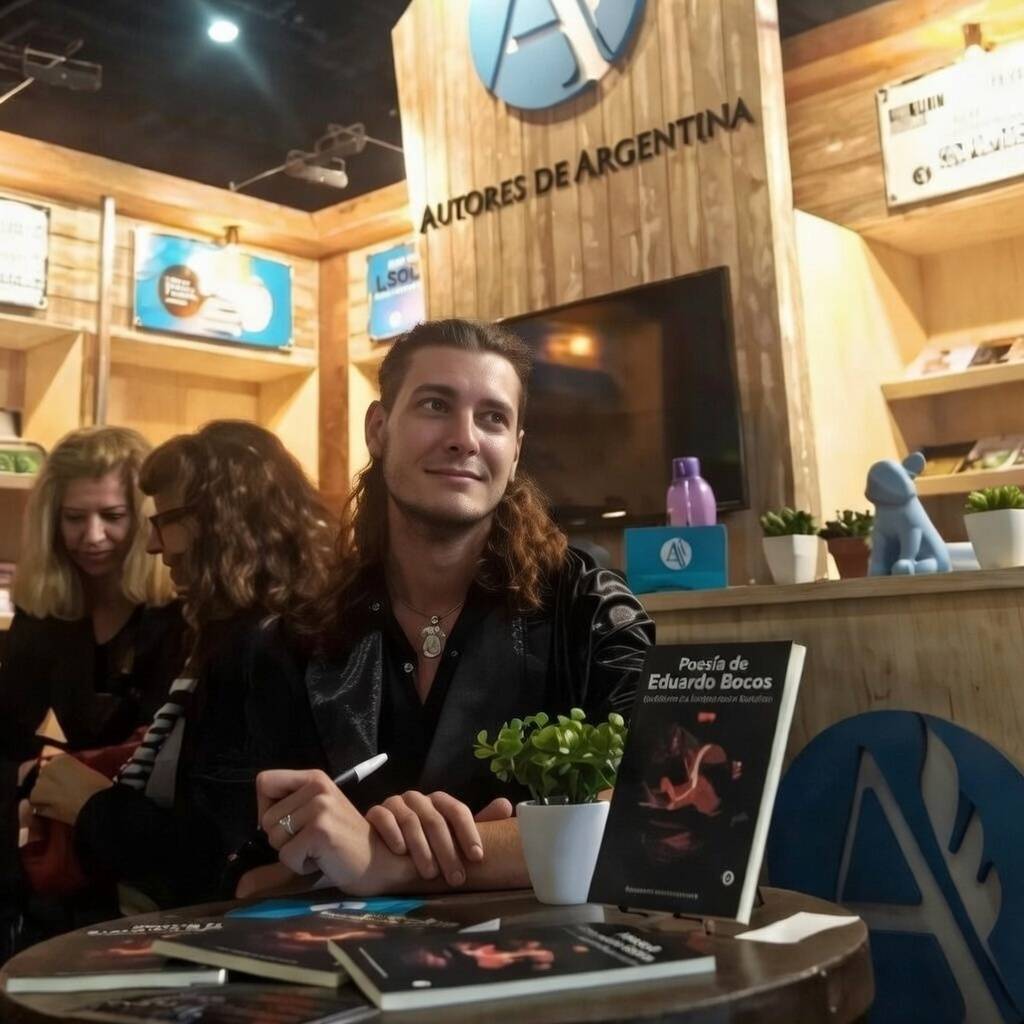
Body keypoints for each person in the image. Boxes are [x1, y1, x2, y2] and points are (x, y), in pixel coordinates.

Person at [249, 318, 654, 897]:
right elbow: (247, 879)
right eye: (436, 405)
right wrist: (309, 843)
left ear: (515, 450)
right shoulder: (297, 637)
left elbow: (653, 818)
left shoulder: (592, 613)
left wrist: (388, 862)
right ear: (379, 429)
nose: (465, 438)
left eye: (493, 417)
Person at [27, 420, 335, 908]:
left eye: (164, 521)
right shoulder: (247, 632)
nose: (153, 546)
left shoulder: (261, 650)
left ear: (219, 520)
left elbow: (218, 858)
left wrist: (90, 805)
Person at [0, 426, 183, 958]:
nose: (93, 535)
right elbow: (8, 731)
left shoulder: (178, 610)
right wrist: (33, 774)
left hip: (152, 839)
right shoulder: (45, 609)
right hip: (67, 844)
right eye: (74, 518)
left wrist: (50, 773)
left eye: (112, 516)